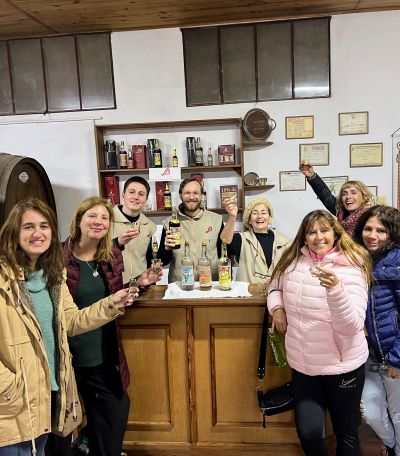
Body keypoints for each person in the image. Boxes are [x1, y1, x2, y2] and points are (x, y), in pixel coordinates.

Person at [0, 198, 135, 456]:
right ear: (13, 232)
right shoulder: (4, 278)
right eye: (28, 227)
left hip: (52, 391)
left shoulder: (53, 275)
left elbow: (71, 321)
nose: (38, 233)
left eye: (44, 226)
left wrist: (111, 304)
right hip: (16, 400)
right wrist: (10, 386)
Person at [47, 196, 161, 456]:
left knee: (115, 414)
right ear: (79, 220)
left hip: (102, 356)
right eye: (92, 216)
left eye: (104, 218)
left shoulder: (111, 255)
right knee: (61, 436)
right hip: (67, 360)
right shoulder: (56, 258)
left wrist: (140, 282)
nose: (98, 221)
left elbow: (113, 296)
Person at [268, 209, 371, 456]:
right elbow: (274, 287)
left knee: (346, 432)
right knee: (309, 433)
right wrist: (277, 308)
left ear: (335, 233)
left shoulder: (352, 266)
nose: (318, 237)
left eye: (324, 230)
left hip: (343, 367)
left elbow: (352, 326)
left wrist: (336, 291)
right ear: (304, 236)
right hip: (304, 366)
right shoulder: (292, 261)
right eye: (311, 232)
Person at [353, 205, 400, 456]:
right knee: (370, 413)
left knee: (398, 415)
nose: (372, 235)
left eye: (381, 230)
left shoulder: (397, 261)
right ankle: (392, 446)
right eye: (368, 229)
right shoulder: (358, 259)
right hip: (368, 354)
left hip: (394, 355)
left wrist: (397, 359)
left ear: (392, 233)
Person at [157, 178, 223, 282]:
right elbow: (163, 261)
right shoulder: (170, 223)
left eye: (195, 193)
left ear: (201, 195)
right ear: (180, 196)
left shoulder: (216, 220)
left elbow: (224, 254)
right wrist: (167, 249)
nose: (191, 197)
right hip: (180, 285)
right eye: (187, 193)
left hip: (210, 284)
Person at [220, 196, 290, 283]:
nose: (259, 216)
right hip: (248, 291)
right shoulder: (242, 239)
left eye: (263, 213)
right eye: (255, 213)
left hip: (275, 290)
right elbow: (225, 240)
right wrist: (232, 217)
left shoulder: (284, 242)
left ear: (270, 219)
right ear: (249, 220)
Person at [299, 160, 372, 237]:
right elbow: (325, 195)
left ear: (364, 197)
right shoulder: (341, 213)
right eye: (344, 194)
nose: (348, 197)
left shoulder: (370, 217)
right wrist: (312, 176)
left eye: (353, 193)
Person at [111, 176, 156, 284]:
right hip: (113, 287)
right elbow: (95, 252)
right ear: (123, 195)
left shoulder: (149, 226)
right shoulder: (106, 219)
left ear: (146, 200)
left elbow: (149, 259)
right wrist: (118, 242)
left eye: (141, 194)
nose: (136, 197)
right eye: (131, 192)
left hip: (140, 286)